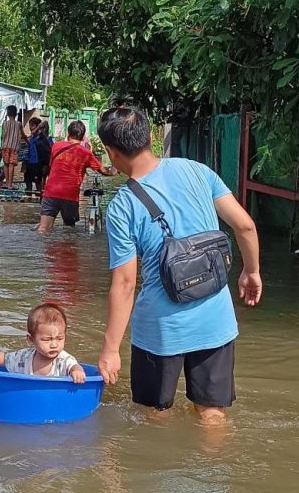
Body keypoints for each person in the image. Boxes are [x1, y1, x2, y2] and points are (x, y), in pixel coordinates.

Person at [95, 107, 262, 425]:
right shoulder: (198, 171)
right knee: (212, 413)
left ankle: (159, 471)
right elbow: (245, 227)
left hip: (160, 331)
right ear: (148, 138)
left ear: (112, 152)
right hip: (216, 320)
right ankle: (214, 473)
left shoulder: (122, 206)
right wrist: (251, 272)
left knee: (152, 415)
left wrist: (110, 348)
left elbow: (126, 284)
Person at [0, 303, 87, 383]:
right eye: (46, 340)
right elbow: (4, 359)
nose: (54, 344)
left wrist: (77, 371)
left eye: (60, 338)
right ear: (31, 339)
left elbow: (74, 366)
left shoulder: (63, 360)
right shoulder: (24, 358)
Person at [35, 120, 115, 232]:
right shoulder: (86, 153)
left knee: (43, 228)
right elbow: (104, 171)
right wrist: (114, 170)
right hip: (70, 195)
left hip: (51, 192)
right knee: (69, 230)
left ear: (68, 134)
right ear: (83, 138)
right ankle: (67, 249)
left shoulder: (56, 146)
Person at [24, 119, 52, 193]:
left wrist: (46, 165)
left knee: (38, 182)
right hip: (29, 162)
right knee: (28, 181)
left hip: (38, 163)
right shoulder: (31, 138)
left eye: (32, 125)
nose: (30, 127)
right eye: (30, 125)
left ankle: (41, 195)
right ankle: (28, 196)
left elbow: (48, 153)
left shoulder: (44, 138)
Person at [0, 105, 23, 189]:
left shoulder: (4, 123)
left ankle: (7, 184)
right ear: (16, 114)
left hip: (5, 146)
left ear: (8, 114)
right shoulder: (19, 124)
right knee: (11, 165)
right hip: (14, 147)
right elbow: (22, 135)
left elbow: (2, 136)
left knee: (6, 164)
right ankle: (10, 184)